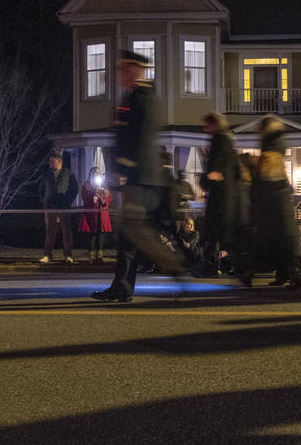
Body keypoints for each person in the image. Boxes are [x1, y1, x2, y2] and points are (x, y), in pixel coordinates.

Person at [92, 50, 186, 303]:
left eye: (124, 69)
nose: (120, 75)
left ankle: (175, 265)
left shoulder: (142, 97)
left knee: (135, 229)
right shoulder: (136, 96)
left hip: (141, 177)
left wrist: (123, 168)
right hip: (141, 177)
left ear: (135, 69)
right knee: (131, 234)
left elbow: (140, 138)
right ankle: (122, 288)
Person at [249, 117, 301, 288]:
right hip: (277, 202)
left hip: (274, 203)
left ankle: (293, 274)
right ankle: (284, 273)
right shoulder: (274, 146)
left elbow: (266, 176)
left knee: (281, 240)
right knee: (281, 241)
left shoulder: (270, 152)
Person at [200, 112, 241, 273]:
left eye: (207, 125)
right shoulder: (229, 141)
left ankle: (210, 266)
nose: (205, 129)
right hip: (229, 195)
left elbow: (215, 171)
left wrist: (205, 179)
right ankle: (229, 264)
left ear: (214, 125)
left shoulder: (219, 140)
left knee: (213, 232)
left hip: (220, 196)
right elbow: (235, 171)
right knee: (225, 233)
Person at [38, 151, 78, 263]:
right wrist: (44, 201)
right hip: (50, 207)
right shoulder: (46, 174)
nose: (50, 163)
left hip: (64, 207)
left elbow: (74, 189)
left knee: (66, 231)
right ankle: (47, 255)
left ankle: (68, 255)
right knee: (50, 231)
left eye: (52, 161)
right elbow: (41, 189)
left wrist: (67, 201)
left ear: (59, 162)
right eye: (49, 161)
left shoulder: (68, 174)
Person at [78, 167, 112, 264]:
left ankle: (100, 254)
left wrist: (103, 195)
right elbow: (85, 197)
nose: (97, 175)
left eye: (98, 173)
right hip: (91, 214)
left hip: (102, 213)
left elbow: (109, 198)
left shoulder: (104, 187)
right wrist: (93, 191)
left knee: (101, 233)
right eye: (95, 173)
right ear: (91, 174)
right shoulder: (86, 185)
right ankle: (91, 255)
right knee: (92, 233)